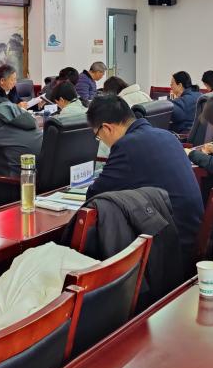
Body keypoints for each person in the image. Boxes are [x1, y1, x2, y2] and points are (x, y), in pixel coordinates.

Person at [87, 95, 203, 262]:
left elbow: (94, 195)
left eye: (98, 136)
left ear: (107, 128)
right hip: (192, 236)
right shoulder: (167, 135)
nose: (102, 141)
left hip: (170, 249)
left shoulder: (127, 146)